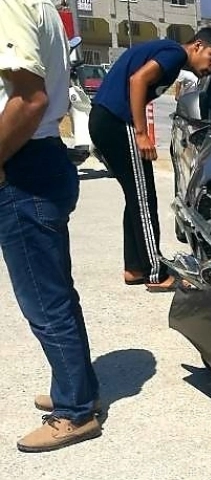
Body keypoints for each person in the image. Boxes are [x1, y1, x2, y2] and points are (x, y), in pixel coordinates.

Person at [0, 0, 101, 451]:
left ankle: (75, 412)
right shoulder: (40, 6)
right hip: (40, 157)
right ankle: (77, 388)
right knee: (55, 290)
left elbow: (29, 98)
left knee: (43, 298)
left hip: (23, 163)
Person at [88, 28, 211, 292]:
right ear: (197, 46)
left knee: (135, 194)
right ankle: (155, 273)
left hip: (105, 119)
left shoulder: (171, 59)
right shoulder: (174, 53)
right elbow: (138, 80)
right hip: (117, 121)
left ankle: (135, 267)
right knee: (143, 198)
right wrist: (141, 133)